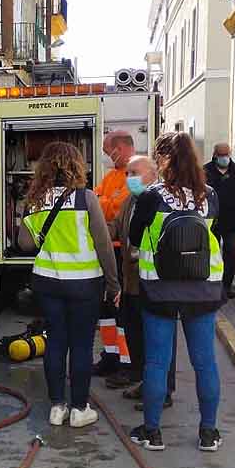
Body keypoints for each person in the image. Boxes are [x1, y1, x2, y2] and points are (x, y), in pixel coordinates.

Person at [128, 132, 225, 452]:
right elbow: (217, 231)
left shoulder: (151, 196)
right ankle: (208, 432)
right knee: (205, 362)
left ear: (165, 159)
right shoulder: (209, 194)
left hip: (159, 287)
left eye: (158, 156)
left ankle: (152, 432)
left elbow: (134, 236)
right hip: (202, 287)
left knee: (157, 362)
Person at [18, 142, 120, 427]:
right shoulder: (85, 198)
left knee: (55, 342)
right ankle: (79, 409)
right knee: (81, 345)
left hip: (47, 283)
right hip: (85, 285)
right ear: (75, 165)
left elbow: (24, 243)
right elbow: (103, 245)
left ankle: (56, 407)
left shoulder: (35, 200)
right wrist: (114, 285)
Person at [112, 156, 177, 410]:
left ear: (152, 174)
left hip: (154, 285)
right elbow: (116, 228)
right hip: (131, 284)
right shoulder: (130, 201)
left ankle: (163, 391)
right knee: (136, 339)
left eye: (135, 173)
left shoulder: (161, 201)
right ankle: (144, 383)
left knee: (158, 342)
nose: (130, 179)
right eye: (128, 173)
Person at [93, 130, 135, 378]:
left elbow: (116, 208)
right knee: (107, 310)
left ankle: (127, 363)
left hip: (125, 256)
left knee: (123, 311)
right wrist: (106, 201)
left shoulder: (135, 174)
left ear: (120, 147)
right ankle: (110, 357)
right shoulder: (111, 177)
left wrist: (104, 201)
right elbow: (98, 202)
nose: (108, 156)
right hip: (109, 252)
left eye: (110, 151)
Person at [204, 142, 235, 299]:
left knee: (231, 252)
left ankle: (227, 286)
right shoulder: (206, 170)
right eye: (220, 154)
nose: (223, 157)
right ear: (215, 154)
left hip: (231, 219)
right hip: (211, 219)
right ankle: (210, 283)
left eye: (226, 154)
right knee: (209, 252)